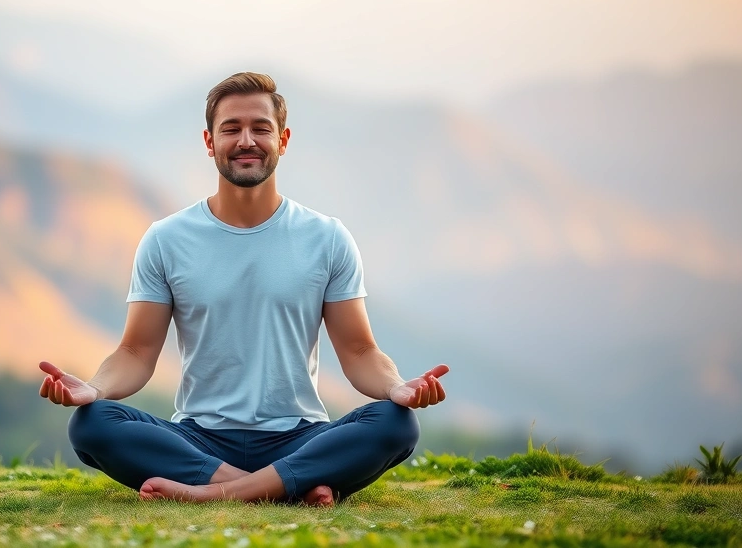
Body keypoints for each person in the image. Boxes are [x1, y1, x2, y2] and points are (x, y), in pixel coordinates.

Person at [38, 72, 449, 506]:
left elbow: (360, 352)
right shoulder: (166, 239)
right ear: (209, 141)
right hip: (198, 440)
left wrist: (396, 388)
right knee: (92, 424)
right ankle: (284, 488)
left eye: (261, 128)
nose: (246, 140)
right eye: (231, 129)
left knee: (397, 423)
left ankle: (213, 493)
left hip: (299, 437)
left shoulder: (326, 237)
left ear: (283, 140)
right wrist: (95, 389)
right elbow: (136, 353)